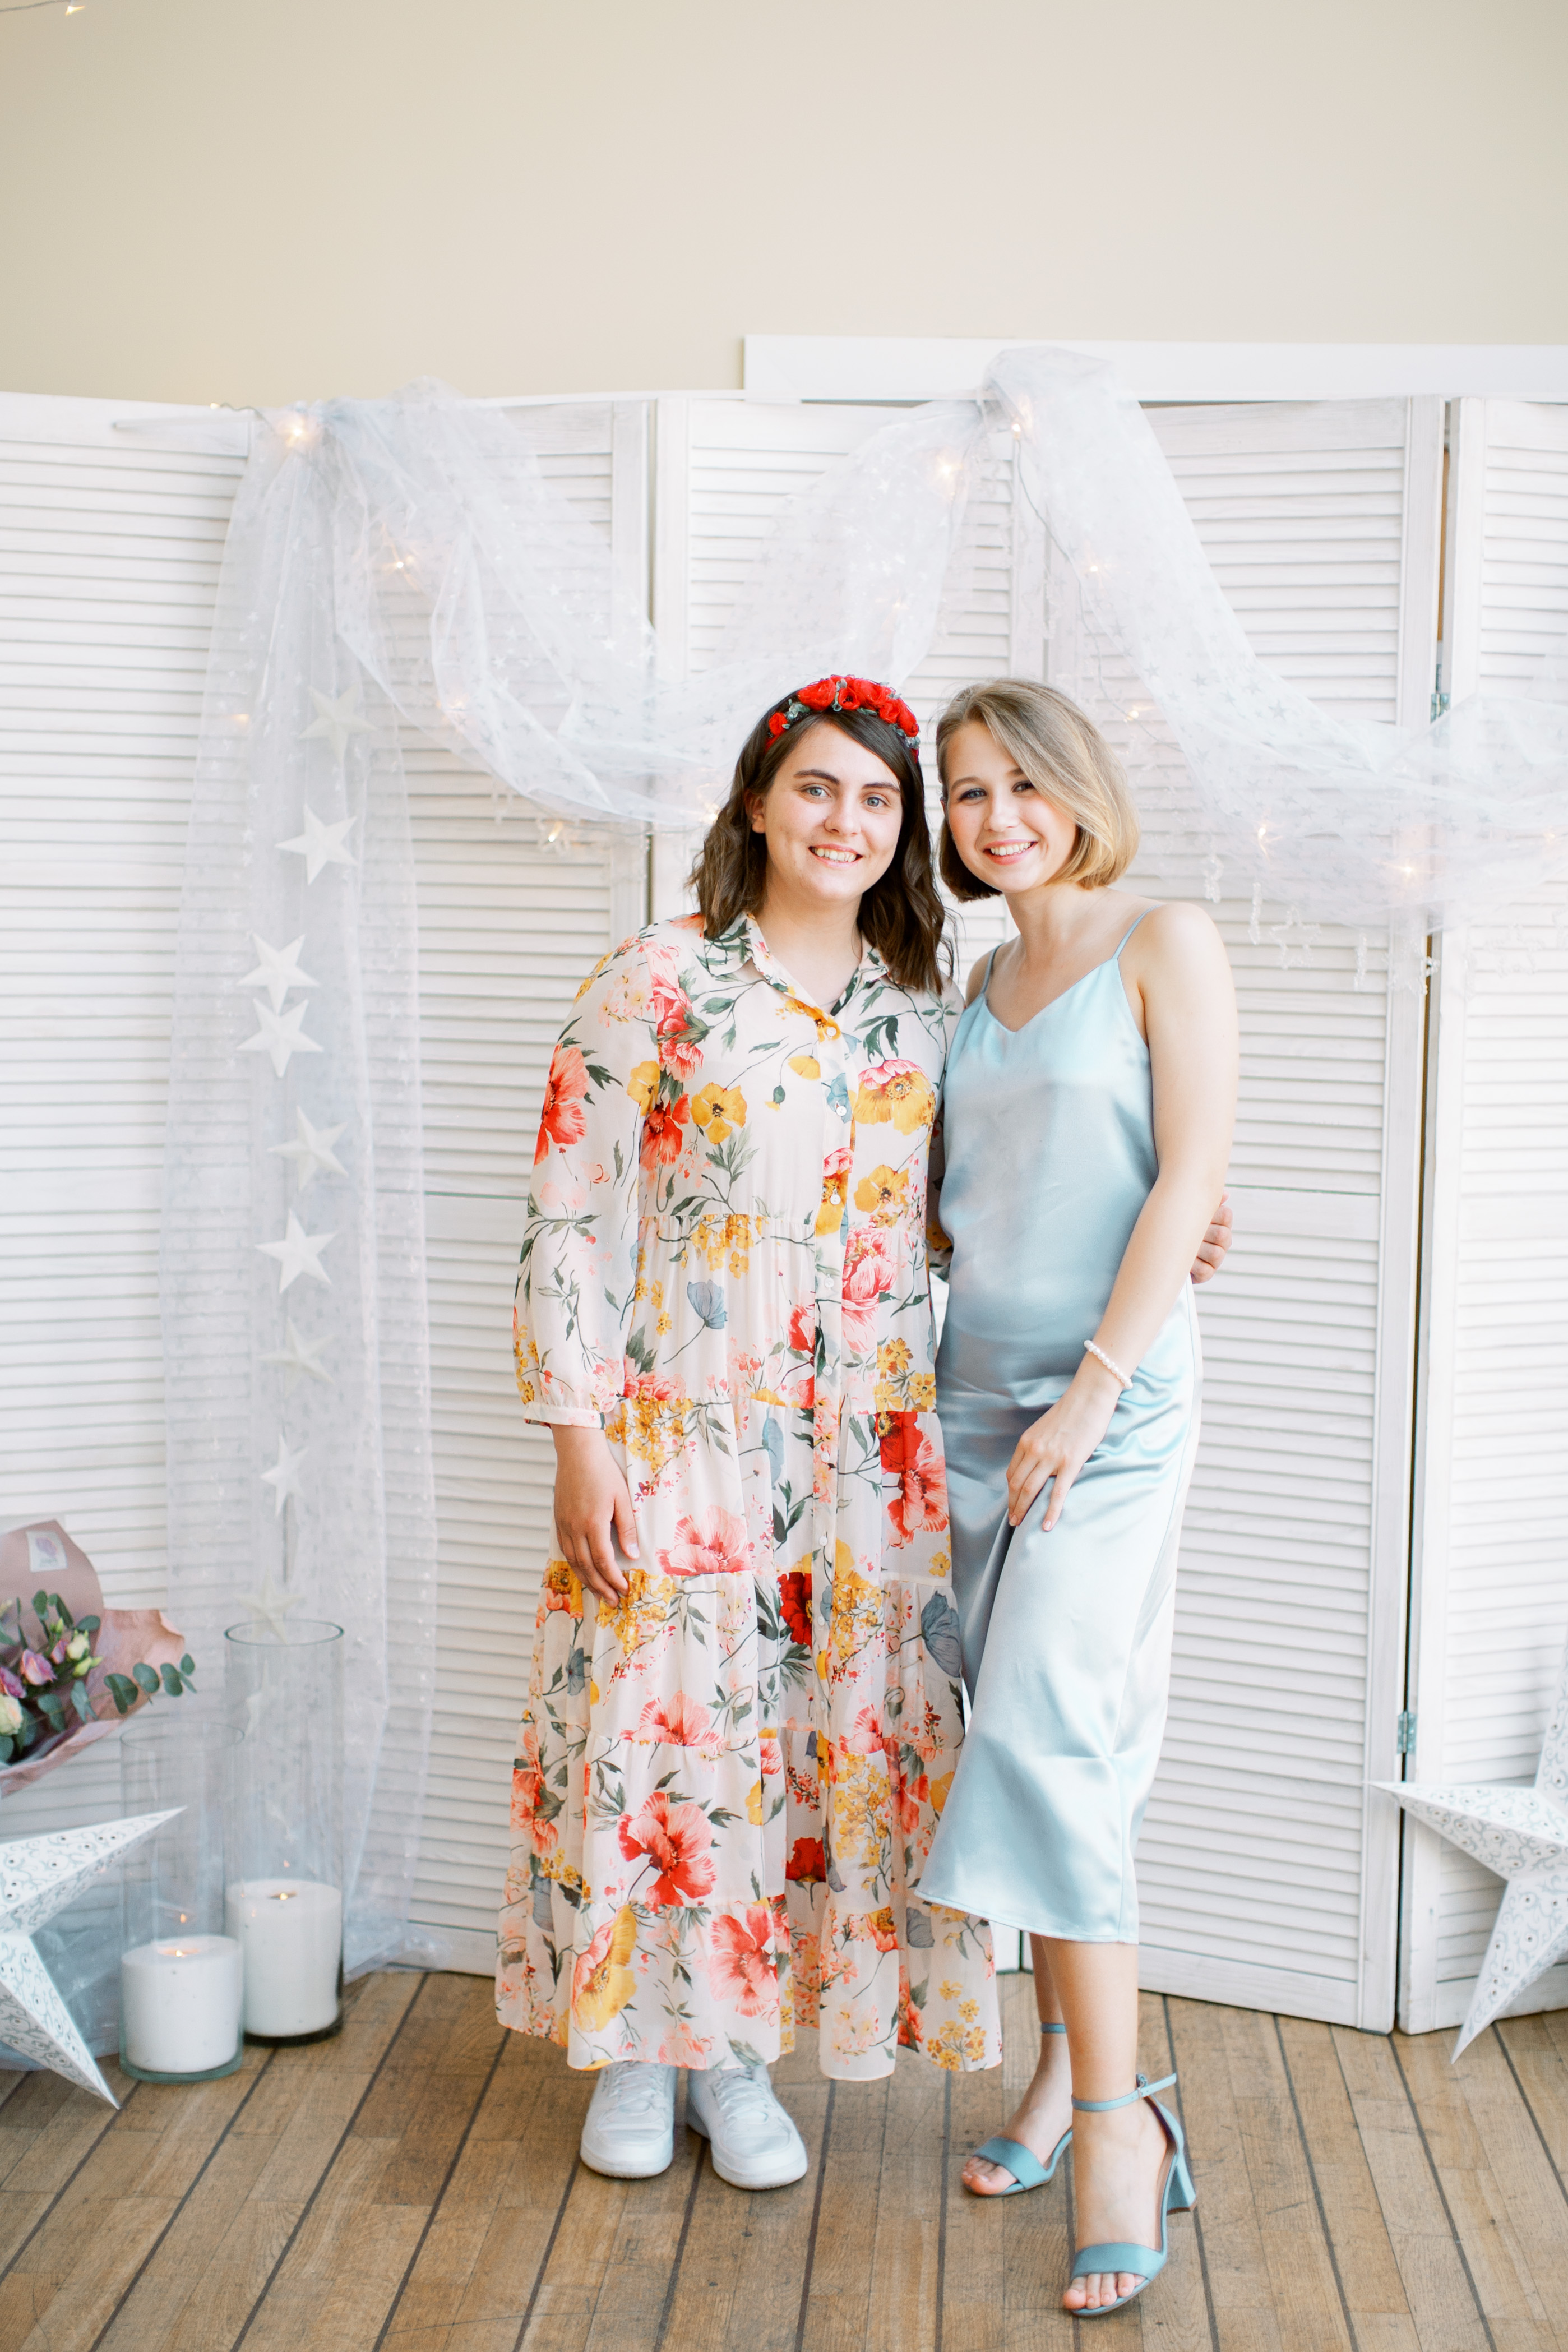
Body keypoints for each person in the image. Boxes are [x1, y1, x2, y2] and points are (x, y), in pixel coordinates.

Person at [496, 675, 1004, 2192]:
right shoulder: (657, 980)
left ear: (904, 829)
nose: (847, 820)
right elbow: (571, 1213)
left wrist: (1176, 1218)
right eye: (817, 788)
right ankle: (645, 2049)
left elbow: (977, 1208)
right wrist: (578, 1435)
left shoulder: (929, 1013)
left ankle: (738, 2052)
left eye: (879, 798)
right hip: (686, 1422)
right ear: (760, 807)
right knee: (673, 1729)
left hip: (869, 1447)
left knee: (806, 1736)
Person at [917, 679, 1239, 2319]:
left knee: (1045, 1731)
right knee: (1041, 1743)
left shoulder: (1162, 939)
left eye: (1023, 783)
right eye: (967, 792)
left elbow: (1192, 1173)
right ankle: (1060, 2073)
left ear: (1078, 788)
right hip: (975, 1407)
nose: (998, 817)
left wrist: (1095, 1389)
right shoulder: (973, 988)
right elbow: (958, 1208)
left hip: (1107, 1409)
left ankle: (1120, 2126)